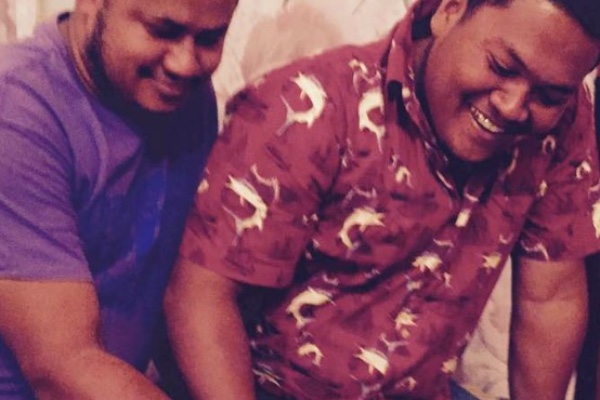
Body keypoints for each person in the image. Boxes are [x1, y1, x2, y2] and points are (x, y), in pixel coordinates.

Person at [164, 0, 600, 398]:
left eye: (549, 96)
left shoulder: (561, 120)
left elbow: (551, 298)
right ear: (450, 9)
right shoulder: (307, 107)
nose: (513, 105)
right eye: (501, 67)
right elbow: (200, 298)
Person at [0, 0, 237, 398]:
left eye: (210, 38)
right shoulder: (17, 113)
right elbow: (63, 367)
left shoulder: (184, 97)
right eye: (162, 31)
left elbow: (183, 290)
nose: (185, 64)